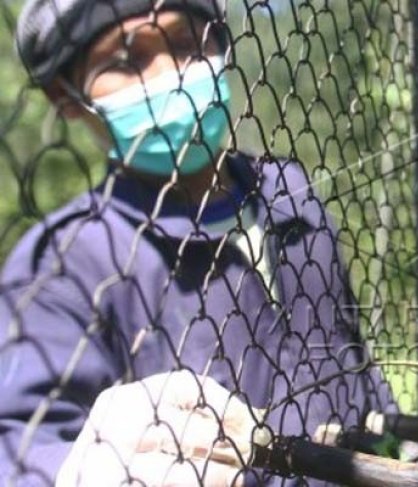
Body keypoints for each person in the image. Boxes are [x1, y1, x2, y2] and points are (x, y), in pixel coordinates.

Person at [1, 1, 394, 485]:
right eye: (126, 61)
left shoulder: (289, 191)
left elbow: (350, 357)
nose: (170, 72)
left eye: (185, 43)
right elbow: (17, 447)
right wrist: (76, 469)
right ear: (67, 98)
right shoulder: (61, 262)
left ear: (220, 45)